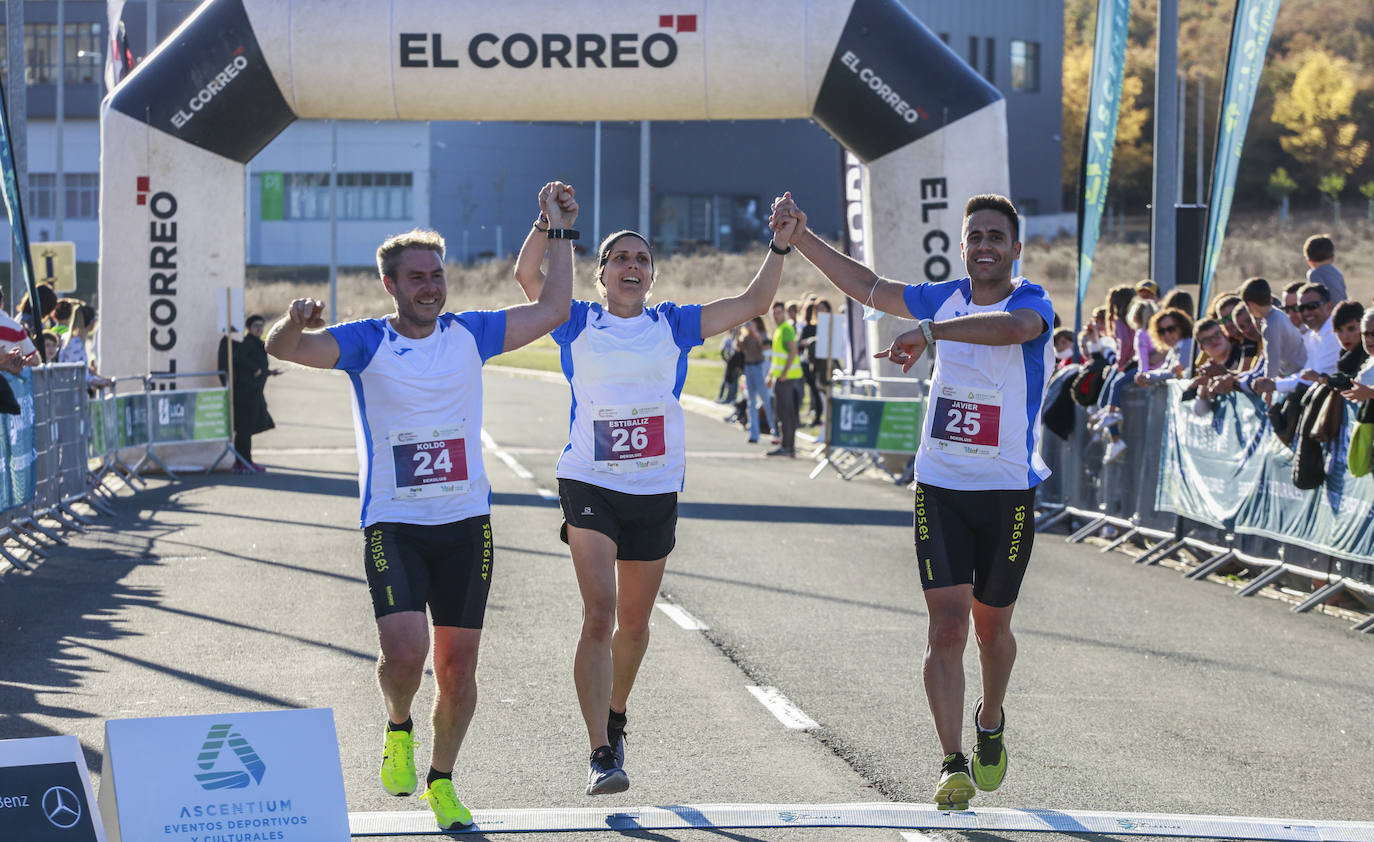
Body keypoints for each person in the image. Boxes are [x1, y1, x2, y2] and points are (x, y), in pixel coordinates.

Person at [263, 182, 577, 831]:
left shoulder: (472, 333)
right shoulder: (364, 343)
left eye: (437, 276)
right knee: (405, 655)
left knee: (459, 673)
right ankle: (398, 725)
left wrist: (558, 230)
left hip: (466, 526)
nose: (431, 287)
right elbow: (284, 349)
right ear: (390, 284)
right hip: (394, 525)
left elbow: (553, 308)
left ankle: (442, 780)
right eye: (417, 278)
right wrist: (294, 322)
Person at [770, 191, 1053, 811]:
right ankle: (951, 760)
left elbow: (1014, 331)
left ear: (1015, 249)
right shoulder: (943, 295)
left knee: (992, 627)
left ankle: (991, 716)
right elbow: (869, 287)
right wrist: (800, 238)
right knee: (946, 628)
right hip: (941, 486)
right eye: (974, 236)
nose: (984, 247)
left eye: (995, 238)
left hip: (1006, 490)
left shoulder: (1030, 301)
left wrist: (929, 331)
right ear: (961, 246)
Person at [512, 190, 799, 795]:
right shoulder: (576, 319)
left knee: (635, 627)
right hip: (589, 480)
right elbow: (526, 274)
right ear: (602, 271)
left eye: (641, 258)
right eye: (620, 257)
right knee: (600, 614)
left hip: (654, 487)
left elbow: (754, 302)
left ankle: (616, 717)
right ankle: (598, 753)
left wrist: (778, 245)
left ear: (651, 273)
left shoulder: (673, 324)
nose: (632, 265)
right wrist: (550, 224)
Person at [1252, 282, 1341, 400]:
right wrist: (1275, 383)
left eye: (1312, 306)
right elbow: (1306, 376)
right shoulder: (1314, 335)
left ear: (1329, 307)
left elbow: (1317, 379)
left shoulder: (1333, 333)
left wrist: (1275, 385)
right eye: (1301, 308)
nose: (1306, 313)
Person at [231, 315, 276, 474]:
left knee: (248, 428)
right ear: (249, 328)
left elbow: (259, 365)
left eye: (261, 326)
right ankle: (242, 462)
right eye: (256, 325)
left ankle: (244, 461)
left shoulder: (257, 343)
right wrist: (254, 369)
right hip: (246, 393)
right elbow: (238, 358)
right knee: (244, 430)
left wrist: (269, 372)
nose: (259, 329)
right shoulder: (248, 342)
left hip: (254, 392)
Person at [1241, 277, 1305, 379]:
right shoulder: (1279, 315)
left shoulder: (1270, 324)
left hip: (1296, 376)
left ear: (1251, 304)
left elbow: (1272, 361)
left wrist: (1267, 386)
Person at [767, 299, 804, 455]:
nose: (776, 315)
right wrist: (770, 375)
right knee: (782, 412)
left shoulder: (786, 329)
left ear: (784, 313)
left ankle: (788, 446)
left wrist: (783, 374)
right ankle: (786, 444)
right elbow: (777, 357)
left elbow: (793, 352)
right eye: (774, 312)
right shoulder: (779, 330)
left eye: (779, 312)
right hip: (781, 377)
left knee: (786, 413)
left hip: (787, 378)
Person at [57, 304, 113, 389]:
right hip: (72, 394)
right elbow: (79, 374)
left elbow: (82, 369)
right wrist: (101, 382)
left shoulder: (72, 340)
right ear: (91, 323)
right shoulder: (75, 343)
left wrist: (99, 378)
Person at [1134, 308, 1194, 385]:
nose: (1166, 334)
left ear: (1182, 327)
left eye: (1170, 329)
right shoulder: (1174, 348)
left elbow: (1176, 374)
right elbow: (1164, 369)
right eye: (1161, 331)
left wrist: (1149, 377)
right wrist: (1146, 375)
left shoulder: (1188, 346)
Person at [740, 316, 774, 443]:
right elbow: (741, 348)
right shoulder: (746, 335)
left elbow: (764, 349)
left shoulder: (762, 334)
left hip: (759, 368)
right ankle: (754, 433)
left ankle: (774, 430)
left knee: (765, 400)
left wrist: (755, 333)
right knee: (751, 402)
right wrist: (740, 333)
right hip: (748, 368)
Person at [0, 288, 38, 374]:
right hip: (9, 384)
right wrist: (20, 363)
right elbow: (35, 360)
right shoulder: (16, 328)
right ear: (1, 303)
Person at [1303, 234, 1346, 303]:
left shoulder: (1314, 274)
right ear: (1333, 258)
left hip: (1328, 311)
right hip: (1342, 309)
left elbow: (1316, 298)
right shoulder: (1338, 273)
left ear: (1309, 261)